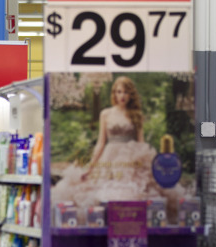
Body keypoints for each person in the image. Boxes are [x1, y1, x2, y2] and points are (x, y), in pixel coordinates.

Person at [52, 76, 184, 222]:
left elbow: (141, 142)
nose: (122, 96)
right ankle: (104, 219)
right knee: (98, 188)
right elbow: (101, 143)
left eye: (126, 92)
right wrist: (90, 167)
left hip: (131, 156)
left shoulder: (137, 115)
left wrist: (148, 166)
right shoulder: (106, 114)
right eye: (119, 92)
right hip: (109, 156)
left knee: (134, 190)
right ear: (114, 93)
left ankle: (129, 220)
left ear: (131, 95)